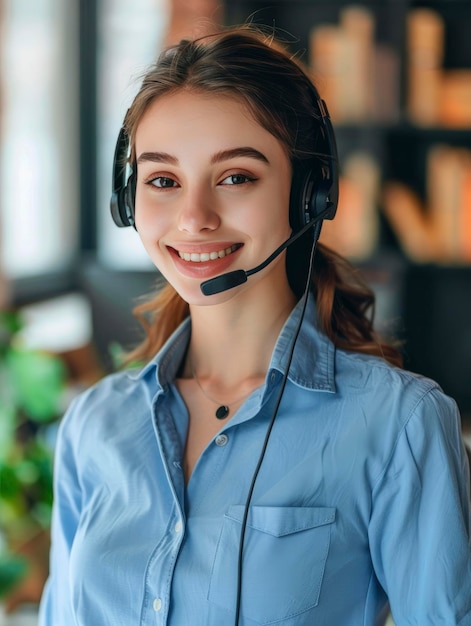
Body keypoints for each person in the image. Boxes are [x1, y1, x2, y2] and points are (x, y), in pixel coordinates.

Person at [39, 25, 471, 626]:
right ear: (128, 199)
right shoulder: (94, 425)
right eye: (163, 180)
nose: (194, 218)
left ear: (309, 194)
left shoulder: (400, 424)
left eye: (236, 176)